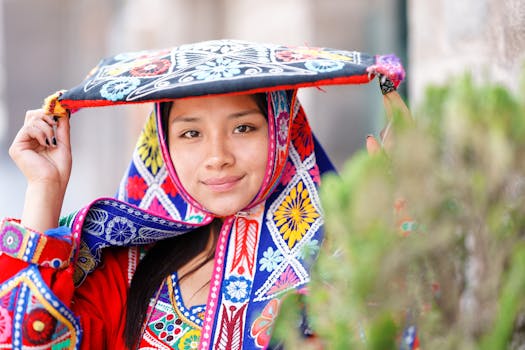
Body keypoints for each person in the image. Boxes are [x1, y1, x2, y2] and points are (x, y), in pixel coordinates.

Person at [0, 39, 406, 349]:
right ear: (164, 145)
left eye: (243, 127)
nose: (217, 157)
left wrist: (406, 210)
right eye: (191, 133)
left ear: (282, 133)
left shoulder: (344, 256)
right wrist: (44, 190)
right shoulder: (127, 269)